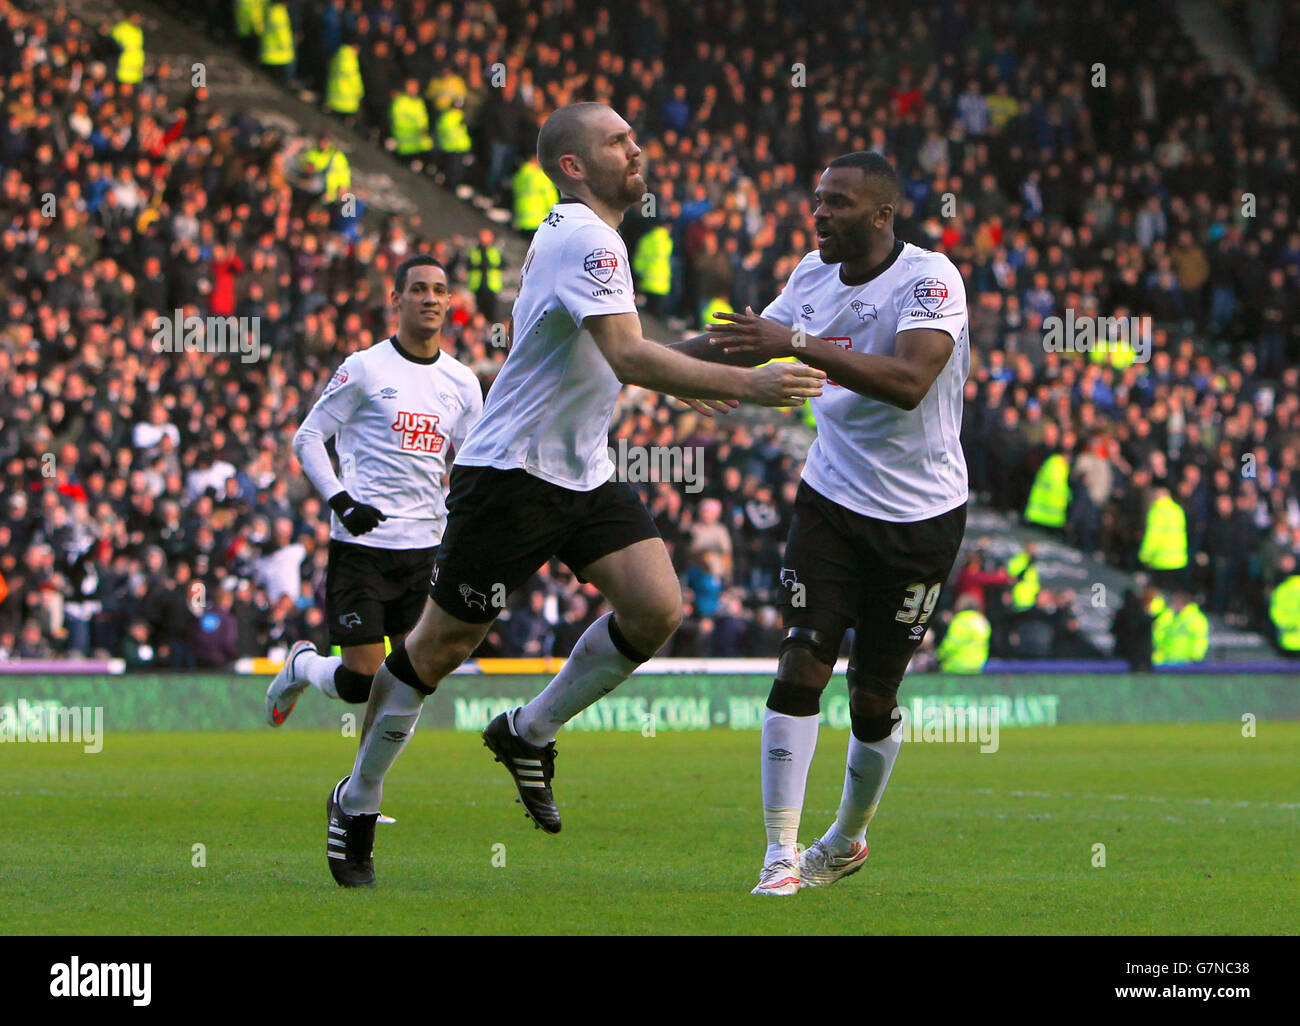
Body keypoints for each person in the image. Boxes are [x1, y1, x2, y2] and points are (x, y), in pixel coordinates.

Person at [323, 102, 825, 887]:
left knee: (657, 606)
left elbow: (605, 356)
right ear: (573, 165)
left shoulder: (589, 238)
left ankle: (528, 731)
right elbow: (627, 357)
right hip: (513, 475)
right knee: (437, 649)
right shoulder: (589, 237)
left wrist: (705, 356)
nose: (637, 148)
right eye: (618, 141)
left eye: (634, 135)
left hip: (580, 469)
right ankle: (356, 798)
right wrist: (746, 385)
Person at [702, 151, 969, 895]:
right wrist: (631, 359)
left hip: (921, 517)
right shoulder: (811, 277)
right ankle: (779, 854)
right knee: (800, 661)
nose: (818, 212)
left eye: (839, 203)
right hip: (830, 500)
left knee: (872, 697)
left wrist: (792, 343)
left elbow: (911, 383)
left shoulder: (930, 278)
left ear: (882, 215)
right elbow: (744, 342)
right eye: (818, 199)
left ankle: (845, 840)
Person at [265, 256, 482, 731]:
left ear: (450, 301)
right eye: (419, 288)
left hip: (423, 546)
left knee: (409, 678)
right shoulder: (364, 368)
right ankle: (301, 666)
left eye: (439, 290)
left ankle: (363, 794)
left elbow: (468, 465)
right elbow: (307, 438)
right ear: (396, 299)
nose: (430, 298)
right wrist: (341, 501)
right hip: (361, 546)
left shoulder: (463, 382)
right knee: (362, 680)